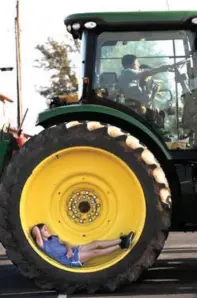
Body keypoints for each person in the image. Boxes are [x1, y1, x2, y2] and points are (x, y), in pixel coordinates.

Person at [31, 224, 135, 267]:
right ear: (40, 234)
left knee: (96, 243)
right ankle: (122, 246)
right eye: (45, 230)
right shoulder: (42, 244)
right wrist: (39, 232)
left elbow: (66, 243)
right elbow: (35, 228)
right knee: (95, 252)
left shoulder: (53, 238)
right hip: (69, 259)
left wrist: (69, 250)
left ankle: (121, 240)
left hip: (72, 251)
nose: (48, 230)